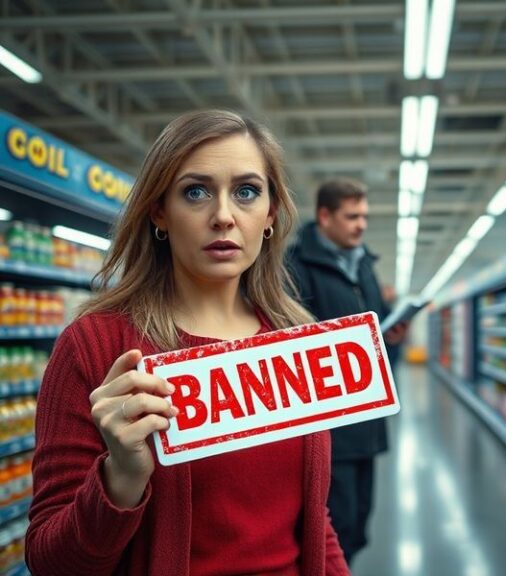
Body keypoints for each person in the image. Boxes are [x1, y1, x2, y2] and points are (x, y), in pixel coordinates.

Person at [25, 110, 349, 576]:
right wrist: (119, 479)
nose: (223, 217)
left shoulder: (295, 340)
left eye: (246, 192)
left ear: (271, 213)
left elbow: (313, 518)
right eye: (195, 192)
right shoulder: (95, 346)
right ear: (159, 211)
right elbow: (50, 562)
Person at [287, 178, 406, 564]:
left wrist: (393, 337)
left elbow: (378, 328)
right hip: (329, 427)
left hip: (368, 419)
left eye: (364, 217)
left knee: (356, 523)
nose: (361, 225)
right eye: (352, 217)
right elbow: (292, 345)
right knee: (332, 530)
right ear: (325, 216)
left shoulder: (365, 266)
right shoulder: (296, 268)